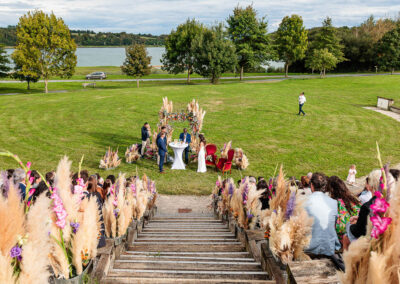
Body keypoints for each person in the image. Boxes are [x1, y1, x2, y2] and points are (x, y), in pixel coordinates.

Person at [305, 172, 341, 256]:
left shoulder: (304, 202)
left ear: (312, 185)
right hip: (328, 246)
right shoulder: (333, 202)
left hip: (309, 248)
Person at [326, 176, 360, 245]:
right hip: (357, 236)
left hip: (343, 239)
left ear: (331, 190)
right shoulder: (353, 200)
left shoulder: (334, 203)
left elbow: (339, 228)